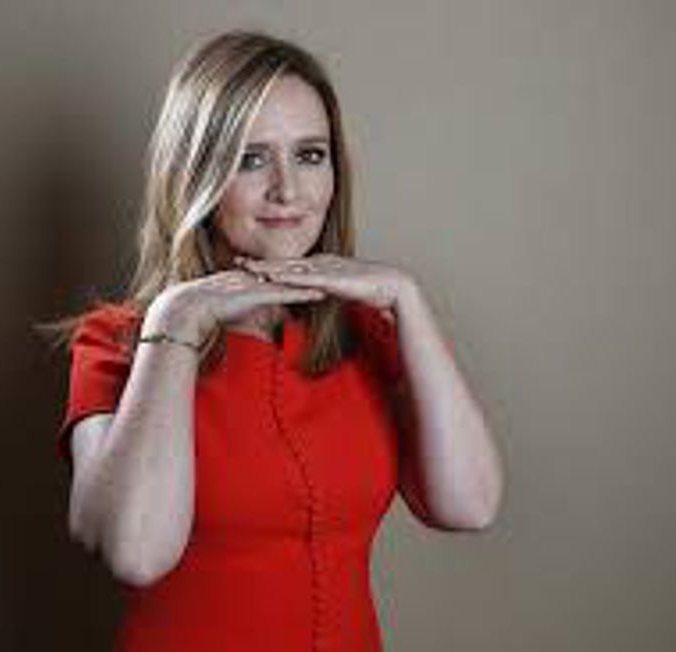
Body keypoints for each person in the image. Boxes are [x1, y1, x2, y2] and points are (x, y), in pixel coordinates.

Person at [51, 29, 504, 651]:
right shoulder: (116, 344)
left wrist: (408, 299)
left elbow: (470, 505)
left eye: (310, 155)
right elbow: (135, 553)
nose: (288, 190)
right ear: (196, 175)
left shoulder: (366, 332)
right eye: (251, 159)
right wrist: (176, 321)